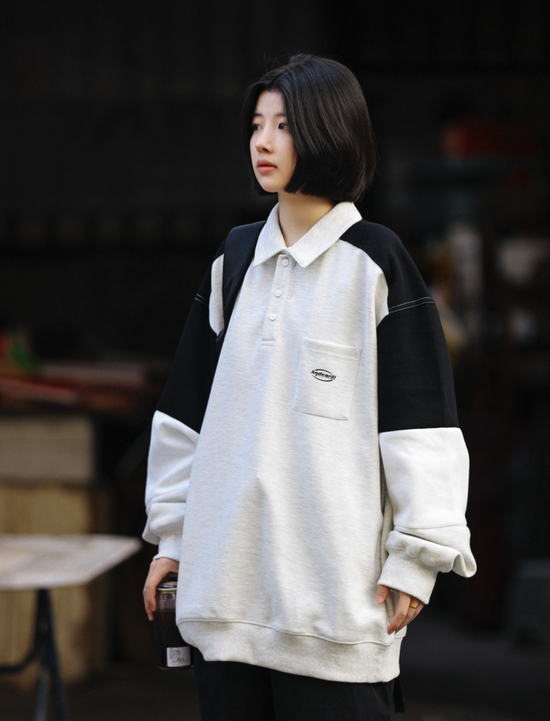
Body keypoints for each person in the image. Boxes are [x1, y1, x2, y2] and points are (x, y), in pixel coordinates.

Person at [142, 53, 476, 720]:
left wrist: (417, 558)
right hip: (227, 607)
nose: (262, 142)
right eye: (256, 125)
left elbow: (421, 427)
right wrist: (172, 540)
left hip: (337, 618)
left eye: (284, 125)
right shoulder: (233, 263)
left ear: (329, 132)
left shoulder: (377, 264)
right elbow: (184, 419)